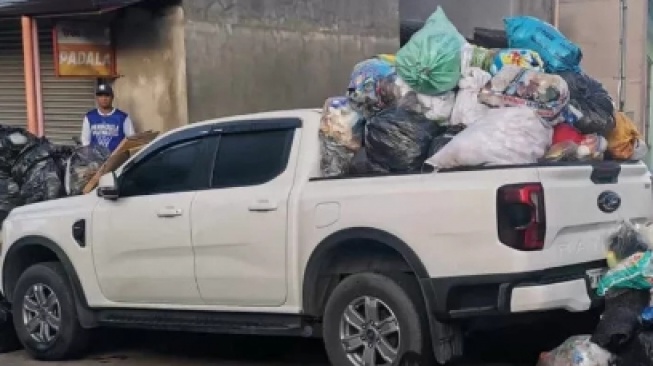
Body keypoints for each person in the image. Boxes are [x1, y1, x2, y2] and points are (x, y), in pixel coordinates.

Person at [81, 84, 135, 153]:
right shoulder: (90, 117)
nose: (104, 98)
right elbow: (85, 141)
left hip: (117, 160)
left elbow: (132, 140)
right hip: (96, 160)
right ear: (97, 98)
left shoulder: (122, 117)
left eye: (107, 95)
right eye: (101, 96)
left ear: (112, 97)